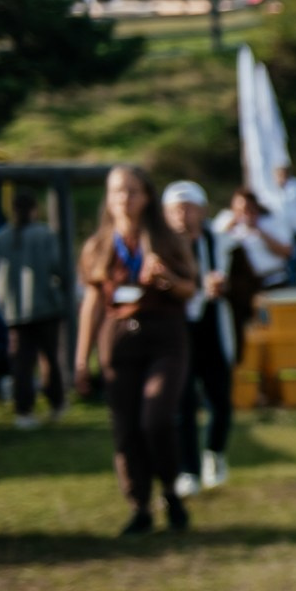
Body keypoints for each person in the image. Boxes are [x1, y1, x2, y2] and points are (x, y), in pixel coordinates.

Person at [75, 165, 197, 535]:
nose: (124, 199)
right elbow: (92, 304)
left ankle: (171, 491)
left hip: (164, 337)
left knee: (156, 418)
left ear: (146, 197)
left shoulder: (167, 240)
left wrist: (167, 279)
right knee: (126, 428)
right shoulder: (98, 246)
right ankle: (139, 505)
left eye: (132, 191)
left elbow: (189, 290)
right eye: (117, 191)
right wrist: (80, 359)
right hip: (118, 341)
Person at [161, 182, 235, 494]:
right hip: (177, 330)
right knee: (183, 401)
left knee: (220, 399)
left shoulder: (219, 240)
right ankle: (187, 469)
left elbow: (243, 279)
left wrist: (224, 286)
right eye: (176, 209)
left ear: (202, 211)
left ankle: (214, 454)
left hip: (212, 328)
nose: (183, 215)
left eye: (189, 208)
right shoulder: (160, 246)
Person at [0, 189, 68, 428]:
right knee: (50, 358)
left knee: (21, 363)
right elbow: (59, 265)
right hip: (46, 307)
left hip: (14, 311)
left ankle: (23, 411)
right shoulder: (44, 234)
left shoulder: (0, 237)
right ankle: (57, 404)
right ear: (34, 210)